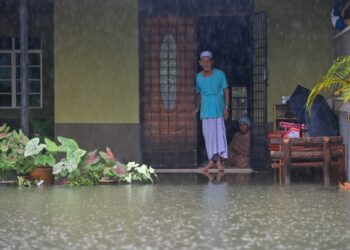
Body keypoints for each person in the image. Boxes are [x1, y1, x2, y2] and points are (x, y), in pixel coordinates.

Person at [195, 51, 230, 172]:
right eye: (203, 61)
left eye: (207, 61)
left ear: (212, 62)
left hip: (218, 109)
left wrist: (227, 107)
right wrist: (197, 107)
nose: (205, 63)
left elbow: (226, 90)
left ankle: (219, 162)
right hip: (205, 110)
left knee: (219, 136)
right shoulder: (198, 77)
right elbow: (198, 93)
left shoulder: (220, 74)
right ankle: (211, 161)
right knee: (209, 137)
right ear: (200, 63)